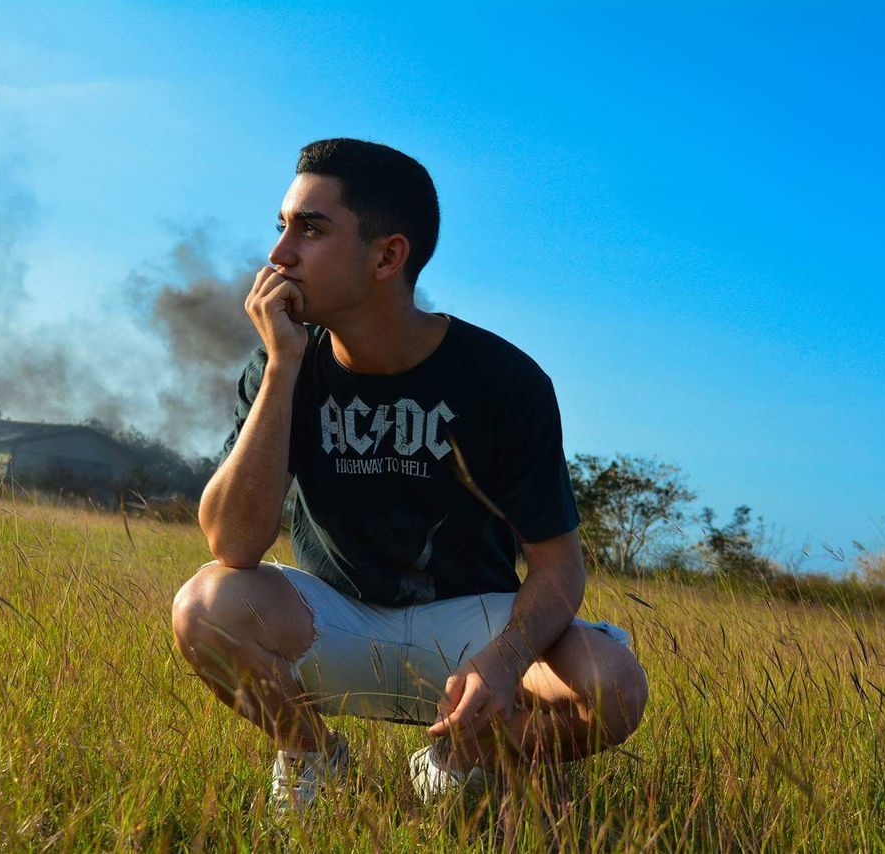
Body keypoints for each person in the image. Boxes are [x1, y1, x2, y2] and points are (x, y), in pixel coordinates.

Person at [171, 138, 649, 814]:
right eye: (281, 227)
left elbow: (559, 569)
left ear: (387, 256)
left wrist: (505, 661)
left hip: (468, 626)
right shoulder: (282, 362)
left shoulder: (503, 380)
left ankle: (455, 761)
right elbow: (235, 546)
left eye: (309, 229)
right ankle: (311, 754)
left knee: (613, 686)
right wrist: (282, 369)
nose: (278, 256)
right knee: (203, 607)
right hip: (334, 620)